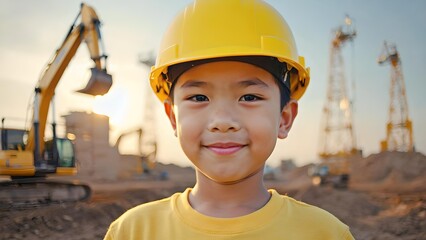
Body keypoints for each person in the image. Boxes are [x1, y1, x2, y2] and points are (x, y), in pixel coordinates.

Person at [104, 0, 355, 239]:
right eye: (199, 97)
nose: (222, 121)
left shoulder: (326, 234)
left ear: (284, 118)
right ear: (173, 118)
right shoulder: (132, 231)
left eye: (249, 97)